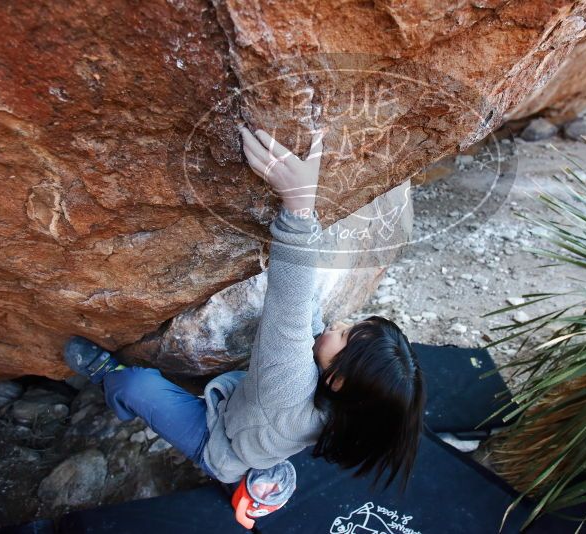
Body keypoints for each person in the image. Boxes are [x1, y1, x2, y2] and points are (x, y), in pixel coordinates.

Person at [63, 124, 426, 493]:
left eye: (346, 335)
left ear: (336, 380)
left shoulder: (290, 391)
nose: (339, 324)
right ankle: (261, 462)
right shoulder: (351, 405)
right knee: (262, 416)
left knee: (136, 384)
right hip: (254, 419)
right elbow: (307, 312)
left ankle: (105, 376)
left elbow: (291, 307)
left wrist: (299, 209)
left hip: (218, 444)